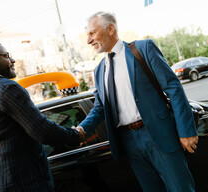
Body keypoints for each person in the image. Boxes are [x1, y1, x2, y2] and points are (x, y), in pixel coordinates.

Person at [76, 11, 198, 192]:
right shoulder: (99, 69)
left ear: (110, 29)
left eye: (92, 33)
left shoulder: (143, 49)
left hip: (158, 134)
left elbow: (173, 88)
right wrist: (81, 129)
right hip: (128, 142)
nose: (88, 40)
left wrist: (185, 130)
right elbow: (100, 107)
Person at [0, 42, 84, 192]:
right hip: (23, 182)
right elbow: (42, 130)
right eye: (6, 56)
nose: (13, 60)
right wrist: (75, 134)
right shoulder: (6, 87)